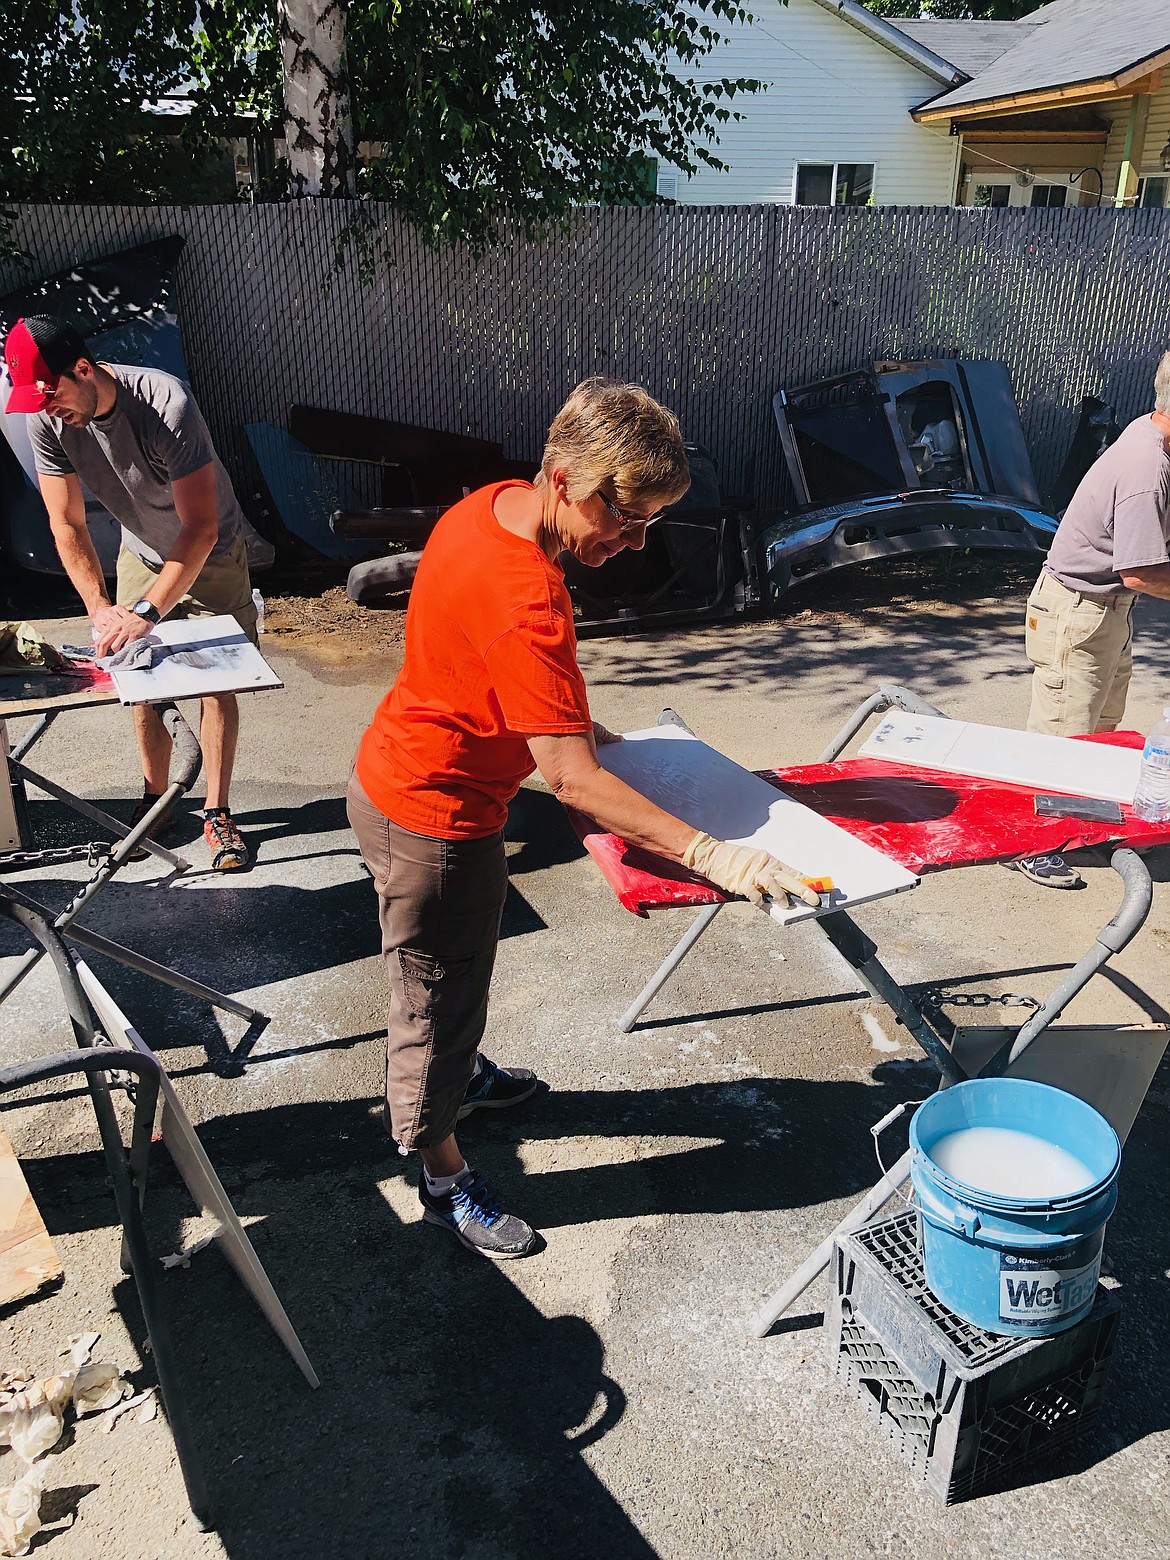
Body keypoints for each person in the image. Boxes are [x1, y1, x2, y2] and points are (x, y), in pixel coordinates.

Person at [347, 377, 821, 1259]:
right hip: (433, 819)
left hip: (400, 778)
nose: (632, 543)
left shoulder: (488, 505)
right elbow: (568, 781)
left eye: (649, 523)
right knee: (433, 1003)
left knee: (456, 976)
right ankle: (440, 1167)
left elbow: (503, 680)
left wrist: (586, 730)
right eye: (628, 518)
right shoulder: (528, 594)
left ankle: (462, 1077)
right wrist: (716, 855)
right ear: (567, 477)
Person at [3, 315, 256, 870]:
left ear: (85, 368)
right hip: (140, 550)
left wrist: (146, 611)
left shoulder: (165, 403)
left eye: (51, 394)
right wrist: (101, 609)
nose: (47, 410)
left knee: (216, 680)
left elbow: (201, 528)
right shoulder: (49, 421)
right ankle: (157, 800)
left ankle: (217, 811)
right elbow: (65, 524)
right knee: (136, 677)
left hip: (209, 553)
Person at [1016, 348, 1170, 889]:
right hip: (1077, 611)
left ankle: (1079, 824)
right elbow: (1142, 573)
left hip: (1103, 609)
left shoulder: (1154, 434)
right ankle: (1032, 842)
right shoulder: (1146, 471)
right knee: (1064, 732)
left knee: (1101, 727)